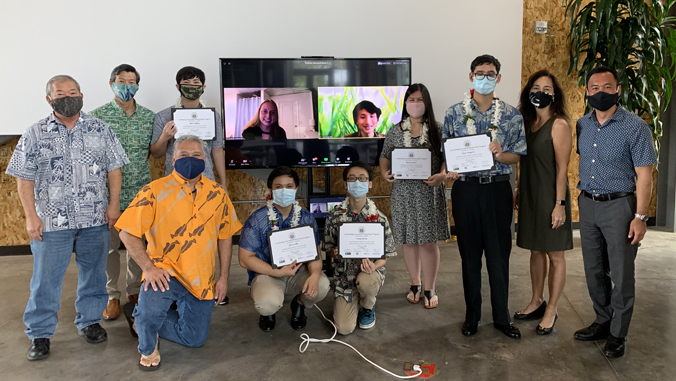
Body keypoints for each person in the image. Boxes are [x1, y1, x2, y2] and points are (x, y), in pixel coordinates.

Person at [6, 75, 129, 361]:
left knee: (95, 275)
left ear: (82, 95)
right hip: (51, 223)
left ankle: (89, 321)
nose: (67, 96)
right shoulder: (35, 133)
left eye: (72, 92)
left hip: (94, 218)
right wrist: (30, 217)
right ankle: (40, 333)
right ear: (49, 99)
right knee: (45, 280)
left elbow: (114, 170)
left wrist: (114, 206)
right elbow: (24, 179)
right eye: (60, 93)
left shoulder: (101, 128)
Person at [116, 135, 241, 370]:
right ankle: (147, 339)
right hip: (164, 273)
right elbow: (126, 232)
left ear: (205, 159)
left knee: (194, 339)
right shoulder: (154, 191)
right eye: (183, 155)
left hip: (201, 278)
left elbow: (225, 236)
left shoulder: (218, 194)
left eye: (196, 155)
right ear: (173, 159)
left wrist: (223, 278)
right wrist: (149, 268)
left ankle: (140, 318)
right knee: (150, 315)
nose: (190, 159)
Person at [573, 66, 656, 358]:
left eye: (607, 87)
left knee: (621, 273)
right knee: (594, 269)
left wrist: (641, 217)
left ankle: (618, 333)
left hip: (620, 206)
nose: (600, 92)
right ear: (586, 91)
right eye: (594, 87)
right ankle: (602, 320)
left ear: (618, 90)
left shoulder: (635, 126)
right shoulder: (582, 124)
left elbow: (645, 176)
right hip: (588, 204)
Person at [443, 54, 527, 339]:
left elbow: (517, 155)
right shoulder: (454, 113)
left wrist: (499, 153)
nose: (485, 77)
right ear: (471, 76)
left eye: (491, 73)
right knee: (469, 257)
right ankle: (472, 316)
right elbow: (447, 154)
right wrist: (448, 170)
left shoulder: (512, 115)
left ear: (498, 78)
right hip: (465, 190)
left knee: (498, 256)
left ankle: (502, 317)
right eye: (480, 73)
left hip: (497, 190)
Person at [90, 63, 155, 320]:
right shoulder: (97, 116)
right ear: (111, 83)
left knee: (137, 246)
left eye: (132, 82)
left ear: (138, 85)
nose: (127, 86)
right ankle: (111, 295)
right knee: (109, 248)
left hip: (140, 192)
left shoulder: (149, 117)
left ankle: (134, 289)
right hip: (108, 195)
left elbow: (154, 151)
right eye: (121, 81)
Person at [513, 70, 573, 335]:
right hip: (529, 194)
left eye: (547, 88)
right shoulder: (527, 123)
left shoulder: (559, 125)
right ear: (528, 93)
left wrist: (559, 204)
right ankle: (537, 301)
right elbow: (524, 161)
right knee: (535, 250)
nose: (541, 92)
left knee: (555, 255)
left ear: (555, 94)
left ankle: (552, 309)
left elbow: (562, 170)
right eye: (536, 87)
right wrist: (517, 188)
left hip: (551, 197)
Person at [379, 83, 449, 309]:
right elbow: (384, 156)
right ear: (405, 103)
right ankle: (415, 283)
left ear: (426, 103)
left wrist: (442, 175)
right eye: (411, 99)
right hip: (403, 193)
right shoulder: (395, 130)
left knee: (428, 242)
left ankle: (430, 287)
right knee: (409, 241)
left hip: (429, 192)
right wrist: (384, 173)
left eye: (419, 100)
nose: (415, 104)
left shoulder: (438, 128)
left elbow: (448, 158)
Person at [238, 167, 330, 332]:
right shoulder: (257, 219)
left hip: (299, 272)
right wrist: (277, 272)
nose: (284, 190)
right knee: (267, 304)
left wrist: (315, 274)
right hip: (268, 272)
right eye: (278, 186)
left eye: (289, 186)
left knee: (322, 285)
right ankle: (268, 313)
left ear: (295, 189)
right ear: (271, 189)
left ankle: (299, 304)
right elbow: (245, 258)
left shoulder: (306, 217)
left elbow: (315, 254)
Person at [323, 162, 396, 334]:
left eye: (362, 178)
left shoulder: (379, 218)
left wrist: (374, 266)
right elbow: (328, 248)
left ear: (370, 183)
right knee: (344, 329)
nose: (357, 182)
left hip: (368, 274)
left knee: (367, 281)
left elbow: (383, 257)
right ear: (345, 184)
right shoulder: (334, 216)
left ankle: (368, 305)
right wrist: (334, 253)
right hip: (344, 278)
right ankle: (352, 298)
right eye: (352, 179)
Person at [150, 66, 226, 188]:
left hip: (206, 180)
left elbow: (217, 150)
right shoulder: (163, 116)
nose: (191, 85)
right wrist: (164, 137)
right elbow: (156, 153)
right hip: (173, 183)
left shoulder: (213, 116)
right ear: (178, 87)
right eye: (186, 83)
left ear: (203, 87)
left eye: (196, 82)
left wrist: (223, 183)